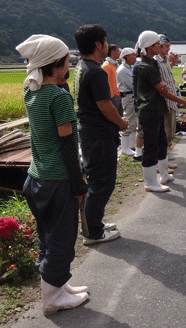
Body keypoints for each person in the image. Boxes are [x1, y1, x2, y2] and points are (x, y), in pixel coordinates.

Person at [16, 35, 90, 315]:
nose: (69, 62)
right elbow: (68, 146)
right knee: (62, 239)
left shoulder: (30, 92)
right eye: (66, 60)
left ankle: (58, 287)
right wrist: (78, 182)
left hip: (36, 177)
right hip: (58, 180)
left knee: (47, 236)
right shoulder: (58, 98)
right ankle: (52, 299)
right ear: (57, 63)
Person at [74, 25, 127, 245]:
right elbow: (105, 105)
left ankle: (94, 223)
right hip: (99, 135)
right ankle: (93, 232)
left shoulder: (81, 66)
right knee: (102, 183)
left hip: (90, 134)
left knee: (98, 181)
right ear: (98, 44)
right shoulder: (95, 71)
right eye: (105, 42)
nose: (107, 45)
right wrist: (121, 122)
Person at [136, 31, 186, 192]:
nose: (160, 47)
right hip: (149, 111)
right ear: (149, 47)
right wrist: (184, 102)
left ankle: (163, 175)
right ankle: (150, 183)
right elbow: (163, 91)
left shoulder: (152, 63)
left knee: (161, 142)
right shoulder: (146, 66)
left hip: (157, 109)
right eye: (157, 45)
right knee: (151, 146)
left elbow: (162, 86)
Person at [154, 35, 179, 170]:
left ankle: (164, 160)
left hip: (172, 101)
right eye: (166, 46)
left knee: (170, 133)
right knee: (164, 133)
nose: (168, 49)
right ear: (159, 46)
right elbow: (159, 85)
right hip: (166, 103)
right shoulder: (156, 61)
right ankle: (160, 163)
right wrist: (165, 104)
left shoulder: (165, 60)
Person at [116, 47, 137, 156]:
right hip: (128, 97)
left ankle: (131, 145)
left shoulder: (129, 68)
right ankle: (125, 147)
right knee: (129, 119)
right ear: (126, 57)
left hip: (131, 97)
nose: (135, 57)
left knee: (133, 121)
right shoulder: (123, 70)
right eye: (132, 55)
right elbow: (133, 84)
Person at [101, 44, 122, 116]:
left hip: (119, 94)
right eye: (118, 51)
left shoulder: (116, 64)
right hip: (114, 96)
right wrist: (113, 95)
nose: (119, 53)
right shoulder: (106, 66)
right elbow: (107, 82)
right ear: (112, 52)